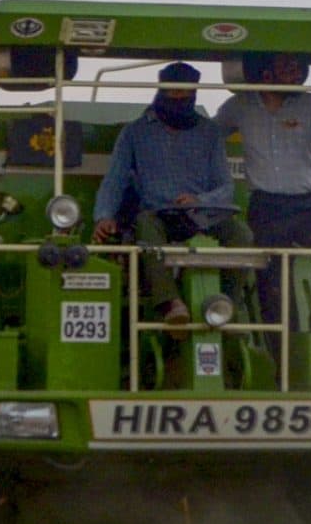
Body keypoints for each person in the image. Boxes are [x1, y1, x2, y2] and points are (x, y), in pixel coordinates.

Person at [214, 53, 311, 331]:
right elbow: (208, 136)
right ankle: (283, 346)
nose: (296, 73)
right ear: (264, 73)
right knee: (272, 278)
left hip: (307, 205)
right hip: (266, 206)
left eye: (299, 68)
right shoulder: (238, 106)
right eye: (287, 67)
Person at [92, 62, 251, 326]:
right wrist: (104, 216)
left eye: (185, 96)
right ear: (161, 92)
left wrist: (199, 201)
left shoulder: (209, 133)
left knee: (242, 235)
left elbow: (225, 187)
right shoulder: (135, 133)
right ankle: (170, 303)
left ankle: (228, 306)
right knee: (146, 225)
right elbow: (114, 180)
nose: (179, 101)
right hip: (158, 215)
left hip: (202, 215)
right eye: (173, 95)